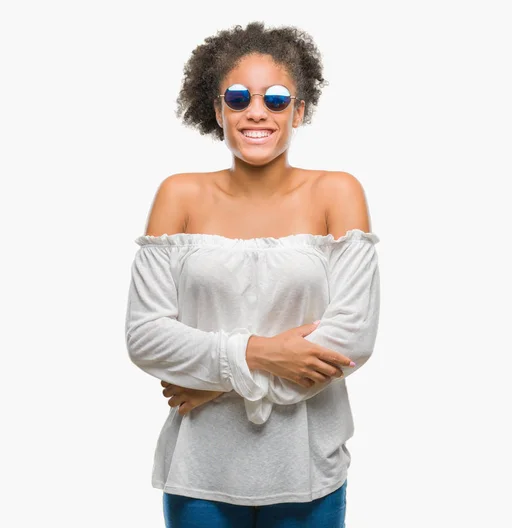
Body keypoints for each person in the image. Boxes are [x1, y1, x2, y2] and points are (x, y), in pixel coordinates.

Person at [124, 21, 381, 528]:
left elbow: (351, 336)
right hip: (201, 471)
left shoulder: (338, 192)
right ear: (217, 110)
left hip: (308, 469)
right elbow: (146, 336)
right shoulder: (179, 195)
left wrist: (216, 384)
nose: (256, 111)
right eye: (238, 97)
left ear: (300, 110)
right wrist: (263, 354)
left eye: (277, 98)